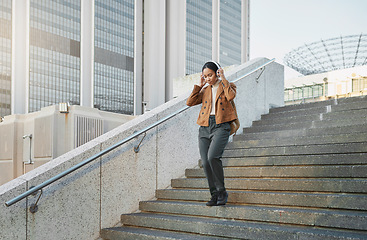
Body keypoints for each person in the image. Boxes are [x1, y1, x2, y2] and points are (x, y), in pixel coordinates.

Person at [186, 61, 237, 206]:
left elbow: (231, 96)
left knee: (213, 156)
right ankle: (214, 195)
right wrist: (199, 86)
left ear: (217, 73)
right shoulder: (205, 90)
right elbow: (190, 102)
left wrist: (224, 78)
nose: (208, 78)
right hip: (204, 127)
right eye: (205, 76)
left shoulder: (227, 85)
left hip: (221, 126)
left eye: (210, 75)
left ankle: (222, 191)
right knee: (206, 162)